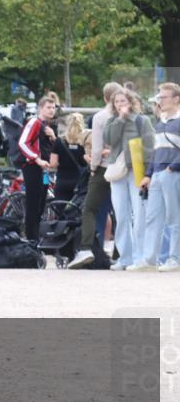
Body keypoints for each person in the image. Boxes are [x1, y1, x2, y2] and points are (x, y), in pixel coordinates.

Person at [68, 83, 124, 269]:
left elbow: (98, 147)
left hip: (103, 168)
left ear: (104, 97)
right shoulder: (127, 116)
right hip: (123, 168)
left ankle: (86, 248)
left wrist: (93, 167)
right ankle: (121, 252)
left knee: (90, 208)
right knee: (120, 212)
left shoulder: (101, 117)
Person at [102, 90, 155, 270]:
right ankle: (125, 257)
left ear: (130, 102)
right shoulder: (112, 121)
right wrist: (120, 119)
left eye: (122, 100)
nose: (119, 104)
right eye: (116, 101)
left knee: (140, 215)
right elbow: (109, 140)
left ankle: (141, 256)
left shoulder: (142, 121)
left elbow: (149, 147)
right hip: (118, 173)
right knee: (121, 215)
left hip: (136, 171)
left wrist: (149, 173)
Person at [135, 82, 180, 271]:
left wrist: (172, 167)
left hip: (173, 173)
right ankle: (150, 259)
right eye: (159, 97)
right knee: (152, 218)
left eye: (163, 96)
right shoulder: (161, 121)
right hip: (158, 174)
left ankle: (175, 259)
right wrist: (148, 174)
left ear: (176, 99)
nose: (160, 100)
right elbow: (156, 150)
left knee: (174, 217)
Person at [18, 96, 58, 242]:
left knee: (41, 203)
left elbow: (50, 148)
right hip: (33, 168)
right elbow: (23, 143)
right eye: (48, 107)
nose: (52, 110)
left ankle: (36, 237)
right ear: (41, 108)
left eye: (53, 107)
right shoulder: (35, 122)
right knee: (33, 204)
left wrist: (53, 137)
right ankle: (32, 240)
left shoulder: (47, 126)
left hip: (44, 170)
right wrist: (36, 158)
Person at [51, 113, 89, 202]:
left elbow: (53, 163)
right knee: (79, 212)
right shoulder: (85, 141)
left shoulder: (59, 141)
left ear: (67, 124)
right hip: (80, 183)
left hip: (62, 182)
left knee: (61, 212)